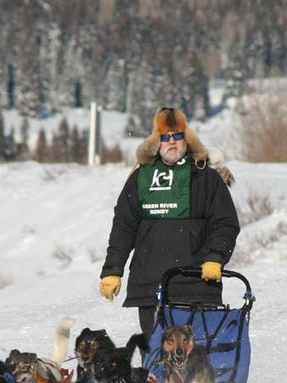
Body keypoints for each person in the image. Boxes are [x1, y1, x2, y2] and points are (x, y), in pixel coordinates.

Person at [99, 107, 240, 340]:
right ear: (156, 142)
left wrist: (215, 258)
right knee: (156, 360)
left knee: (197, 361)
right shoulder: (141, 177)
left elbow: (225, 222)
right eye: (165, 137)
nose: (172, 142)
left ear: (188, 140)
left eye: (177, 136)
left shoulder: (205, 177)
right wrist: (112, 271)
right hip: (150, 287)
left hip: (197, 285)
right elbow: (124, 226)